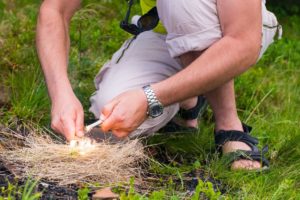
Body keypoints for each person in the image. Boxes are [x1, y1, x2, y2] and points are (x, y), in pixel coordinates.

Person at [36, 0, 281, 170]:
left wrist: (150, 98)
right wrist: (61, 94)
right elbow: (54, 10)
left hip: (235, 28)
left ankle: (228, 125)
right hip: (162, 37)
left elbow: (243, 42)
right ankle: (190, 98)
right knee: (109, 111)